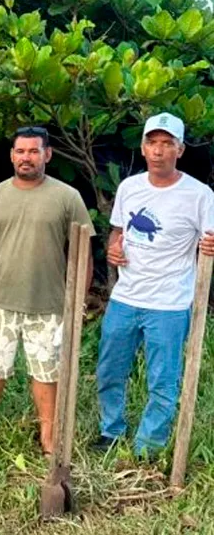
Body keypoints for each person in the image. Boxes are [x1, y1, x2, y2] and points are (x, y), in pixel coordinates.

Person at [0, 126, 94, 454]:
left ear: (47, 155)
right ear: (12, 155)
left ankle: (48, 437)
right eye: (20, 151)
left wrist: (78, 297)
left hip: (50, 304)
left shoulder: (67, 197)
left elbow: (82, 252)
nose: (27, 157)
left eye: (34, 151)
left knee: (47, 372)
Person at [93, 113, 214, 460]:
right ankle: (110, 431)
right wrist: (113, 249)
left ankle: (148, 446)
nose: (158, 151)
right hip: (126, 298)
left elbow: (209, 240)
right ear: (143, 148)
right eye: (152, 143)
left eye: (167, 144)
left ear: (180, 149)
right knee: (110, 369)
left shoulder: (199, 195)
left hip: (171, 303)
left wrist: (209, 248)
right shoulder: (129, 187)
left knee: (163, 380)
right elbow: (118, 233)